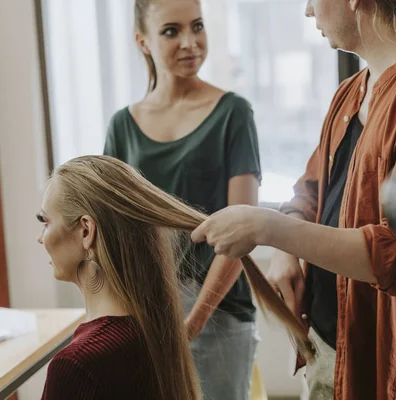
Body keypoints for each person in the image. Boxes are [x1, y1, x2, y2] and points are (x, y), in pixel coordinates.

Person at [191, 0, 396, 399]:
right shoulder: (350, 93)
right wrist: (284, 250)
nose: (307, 12)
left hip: (384, 366)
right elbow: (311, 189)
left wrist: (269, 229)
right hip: (324, 345)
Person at [37, 155, 311, 400]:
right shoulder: (153, 332)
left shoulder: (77, 365)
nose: (41, 238)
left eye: (46, 222)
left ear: (86, 231)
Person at [104, 0, 262, 398]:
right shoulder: (122, 126)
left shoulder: (233, 113)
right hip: (146, 311)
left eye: (197, 26)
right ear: (142, 41)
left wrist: (194, 319)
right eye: (171, 31)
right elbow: (112, 231)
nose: (190, 42)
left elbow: (243, 231)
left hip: (219, 313)